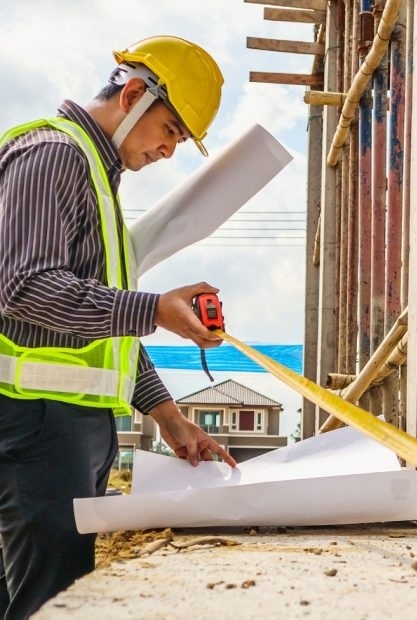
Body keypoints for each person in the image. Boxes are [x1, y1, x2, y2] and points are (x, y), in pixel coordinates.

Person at [0, 35, 238, 619]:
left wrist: (170, 417)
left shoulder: (98, 178)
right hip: (34, 427)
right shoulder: (54, 155)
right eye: (171, 131)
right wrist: (154, 308)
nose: (169, 151)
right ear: (133, 94)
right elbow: (24, 288)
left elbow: (105, 333)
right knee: (49, 603)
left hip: (61, 430)